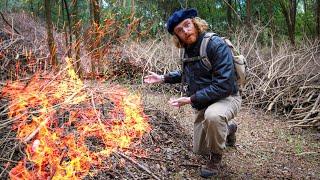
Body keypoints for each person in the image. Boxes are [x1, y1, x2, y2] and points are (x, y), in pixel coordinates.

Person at [144, 8, 241, 178]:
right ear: (177, 36)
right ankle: (229, 129)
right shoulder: (188, 49)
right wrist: (163, 78)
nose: (185, 32)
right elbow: (187, 73)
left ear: (195, 23)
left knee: (213, 116)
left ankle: (215, 158)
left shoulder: (215, 44)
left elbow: (224, 84)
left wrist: (190, 99)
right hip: (204, 101)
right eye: (179, 30)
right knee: (199, 150)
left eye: (187, 25)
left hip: (227, 97)